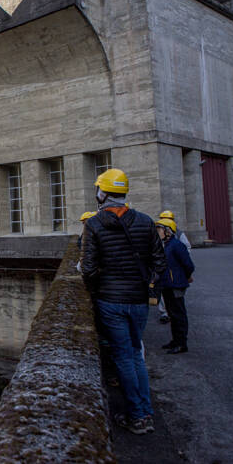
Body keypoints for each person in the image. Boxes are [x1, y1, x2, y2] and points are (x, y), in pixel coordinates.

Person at [81, 168, 166, 435]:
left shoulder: (94, 224)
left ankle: (138, 416)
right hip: (138, 300)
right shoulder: (145, 221)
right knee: (136, 354)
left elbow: (88, 268)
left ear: (102, 193)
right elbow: (159, 262)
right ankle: (145, 412)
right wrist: (145, 283)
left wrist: (97, 286)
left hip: (110, 300)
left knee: (123, 357)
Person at [155, 218, 194, 354]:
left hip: (176, 284)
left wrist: (185, 276)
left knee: (178, 314)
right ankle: (175, 340)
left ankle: (181, 343)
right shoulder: (165, 245)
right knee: (172, 313)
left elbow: (188, 265)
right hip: (167, 284)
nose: (157, 231)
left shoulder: (176, 245)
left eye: (159, 229)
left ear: (167, 231)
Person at [156, 210, 191, 324]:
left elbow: (188, 261)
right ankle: (164, 313)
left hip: (175, 277)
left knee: (178, 311)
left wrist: (184, 273)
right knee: (165, 298)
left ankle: (180, 340)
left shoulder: (177, 239)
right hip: (165, 277)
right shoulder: (161, 239)